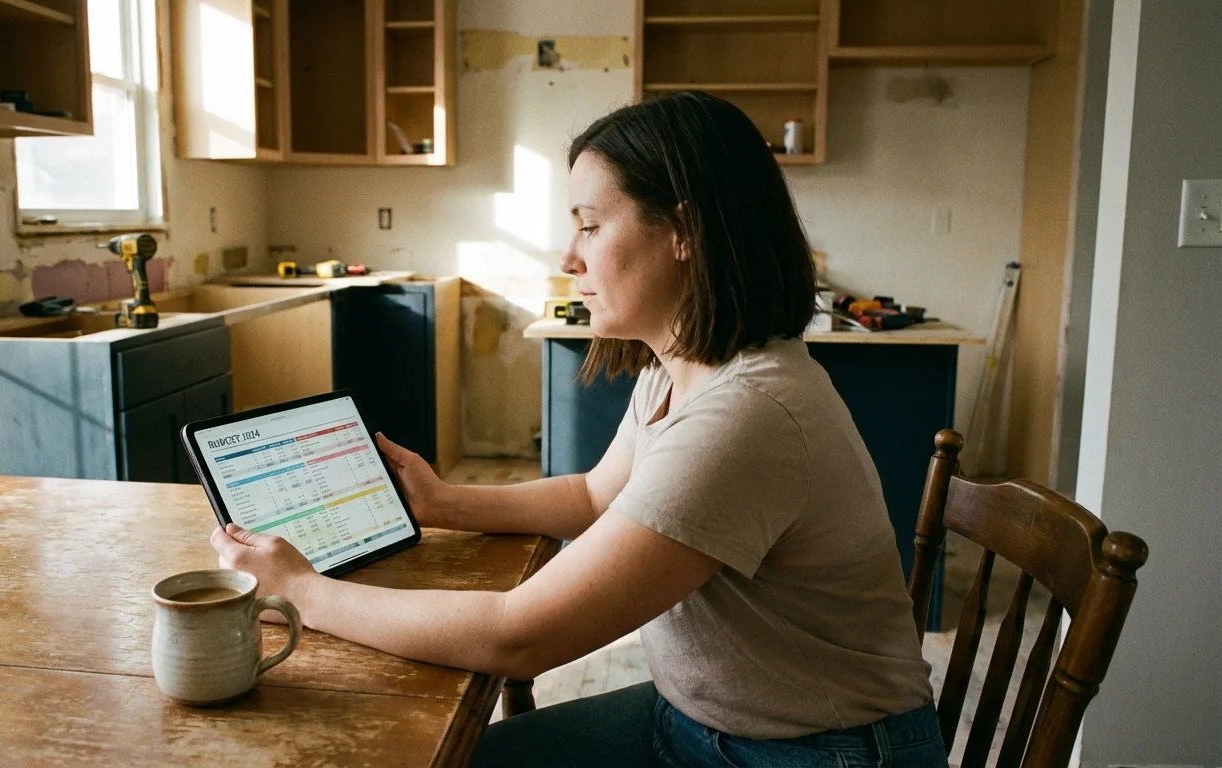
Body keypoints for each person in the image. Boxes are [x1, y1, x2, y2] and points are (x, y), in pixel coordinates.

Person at [210, 91, 948, 767]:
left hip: (818, 753)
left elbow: (523, 636)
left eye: (591, 226)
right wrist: (445, 503)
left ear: (684, 230)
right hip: (705, 719)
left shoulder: (748, 415)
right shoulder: (680, 369)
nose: (570, 259)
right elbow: (598, 496)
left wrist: (304, 592)